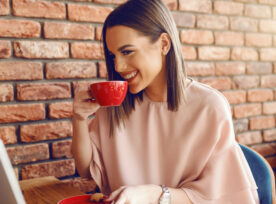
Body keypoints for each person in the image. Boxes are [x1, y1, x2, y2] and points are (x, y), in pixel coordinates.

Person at [72, 0, 259, 203]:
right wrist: (79, 118)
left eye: (127, 52)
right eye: (112, 55)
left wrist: (155, 194)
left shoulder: (209, 107)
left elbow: (216, 196)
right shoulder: (115, 105)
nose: (118, 65)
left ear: (164, 44)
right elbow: (86, 169)